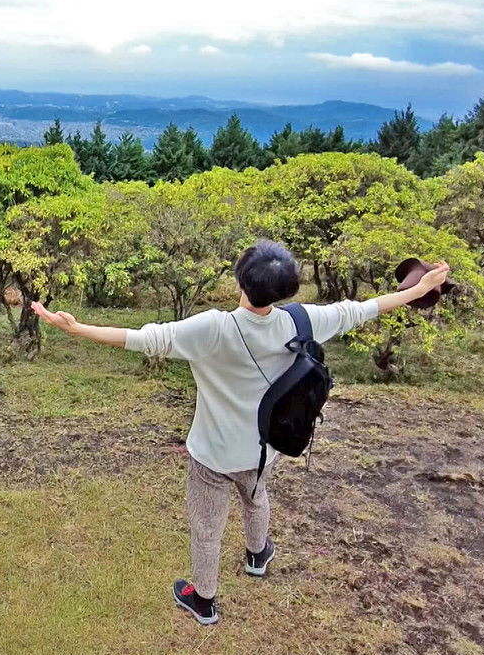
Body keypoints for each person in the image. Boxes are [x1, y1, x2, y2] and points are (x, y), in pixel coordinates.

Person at [31, 240, 451, 626]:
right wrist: (419, 289)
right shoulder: (303, 320)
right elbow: (365, 308)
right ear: (286, 289)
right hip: (264, 447)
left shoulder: (212, 328)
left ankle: (205, 599)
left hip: (212, 453)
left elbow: (144, 339)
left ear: (241, 281)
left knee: (207, 525)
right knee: (256, 497)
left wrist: (76, 328)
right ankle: (257, 556)